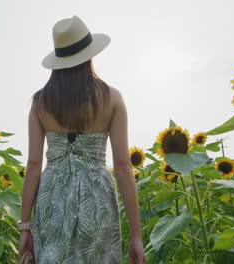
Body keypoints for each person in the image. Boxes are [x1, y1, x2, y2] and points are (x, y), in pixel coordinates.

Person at [18, 15, 145, 264]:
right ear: (89, 55)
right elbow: (122, 166)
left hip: (51, 197)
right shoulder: (112, 99)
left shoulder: (40, 102)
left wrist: (25, 228)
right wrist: (137, 235)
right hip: (96, 198)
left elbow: (33, 166)